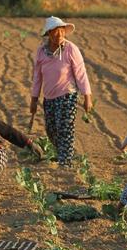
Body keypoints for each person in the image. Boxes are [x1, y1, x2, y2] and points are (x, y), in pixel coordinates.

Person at [30, 16, 93, 168]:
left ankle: (65, 161)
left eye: (61, 31)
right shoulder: (41, 52)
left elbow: (81, 73)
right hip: (49, 97)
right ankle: (63, 153)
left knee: (65, 128)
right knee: (52, 130)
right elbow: (37, 77)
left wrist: (87, 97)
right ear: (48, 34)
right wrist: (33, 100)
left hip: (67, 95)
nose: (59, 35)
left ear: (64, 32)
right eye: (55, 32)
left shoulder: (71, 49)